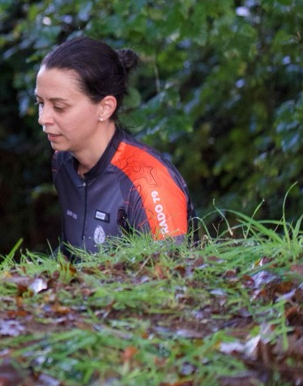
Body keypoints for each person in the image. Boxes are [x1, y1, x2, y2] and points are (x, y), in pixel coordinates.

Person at [34, 36, 196, 253]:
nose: (43, 119)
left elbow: (173, 270)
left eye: (59, 107)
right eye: (40, 103)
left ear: (105, 108)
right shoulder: (62, 161)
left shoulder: (149, 180)